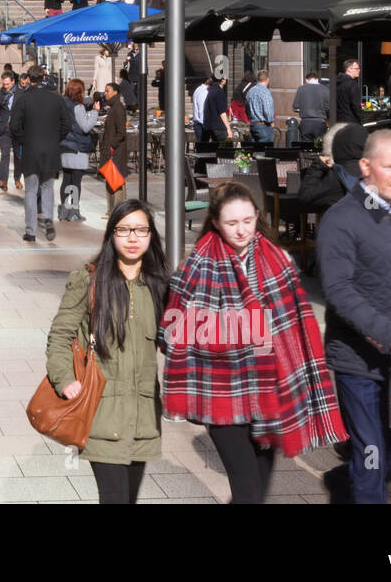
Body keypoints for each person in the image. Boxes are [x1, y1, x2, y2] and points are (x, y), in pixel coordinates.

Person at [164, 182, 346, 503]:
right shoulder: (197, 266)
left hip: (270, 394)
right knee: (247, 491)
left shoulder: (279, 262)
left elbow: (296, 330)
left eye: (247, 221)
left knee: (257, 493)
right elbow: (173, 332)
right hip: (222, 392)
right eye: (232, 223)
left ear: (257, 216)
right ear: (216, 222)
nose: (241, 230)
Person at [317, 129, 391, 504]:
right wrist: (389, 333)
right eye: (389, 167)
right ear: (366, 166)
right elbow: (338, 290)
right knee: (371, 460)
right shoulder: (341, 219)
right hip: (357, 360)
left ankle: (342, 480)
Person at [46, 199, 168, 503]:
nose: (132, 238)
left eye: (141, 230)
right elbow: (60, 336)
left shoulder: (160, 285)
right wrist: (64, 380)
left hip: (144, 417)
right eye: (123, 230)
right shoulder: (88, 280)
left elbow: (177, 340)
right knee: (114, 498)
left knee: (128, 498)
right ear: (111, 235)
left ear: (151, 235)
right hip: (101, 412)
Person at [11, 64, 71, 244]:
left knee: (30, 191)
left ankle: (31, 231)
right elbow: (66, 125)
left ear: (29, 79)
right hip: (51, 150)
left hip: (31, 150)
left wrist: (25, 139)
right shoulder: (57, 99)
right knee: (47, 188)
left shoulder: (22, 99)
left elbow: (14, 126)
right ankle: (48, 220)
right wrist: (55, 138)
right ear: (44, 77)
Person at [298, 122, 368, 216]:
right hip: (372, 228)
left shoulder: (336, 175)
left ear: (337, 146)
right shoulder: (376, 173)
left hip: (341, 227)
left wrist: (317, 167)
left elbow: (305, 197)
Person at [58, 78, 98, 222]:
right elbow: (85, 127)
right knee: (76, 182)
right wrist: (94, 113)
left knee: (66, 180)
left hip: (65, 146)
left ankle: (63, 210)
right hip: (78, 147)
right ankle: (74, 211)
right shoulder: (78, 107)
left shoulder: (62, 104)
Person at [99, 83, 129, 215]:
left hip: (115, 152)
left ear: (115, 92)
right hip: (111, 151)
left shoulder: (118, 108)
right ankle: (111, 211)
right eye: (105, 91)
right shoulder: (113, 107)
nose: (105, 93)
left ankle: (117, 211)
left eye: (108, 91)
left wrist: (112, 145)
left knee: (116, 182)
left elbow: (121, 132)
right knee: (110, 181)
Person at [0, 72, 18, 192]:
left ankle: (17, 178)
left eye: (8, 84)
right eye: (4, 84)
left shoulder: (20, 94)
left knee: (19, 156)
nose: (6, 86)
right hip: (4, 129)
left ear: (13, 82)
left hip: (17, 129)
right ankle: (3, 180)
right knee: (5, 154)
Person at [292, 71, 329, 143]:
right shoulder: (325, 89)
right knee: (318, 146)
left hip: (306, 122)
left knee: (306, 147)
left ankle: (307, 154)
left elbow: (295, 106)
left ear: (306, 80)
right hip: (320, 122)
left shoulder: (301, 89)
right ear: (317, 79)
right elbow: (329, 107)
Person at [244, 69, 275, 144]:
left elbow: (247, 108)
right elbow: (267, 111)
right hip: (264, 126)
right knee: (265, 152)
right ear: (268, 79)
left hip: (253, 125)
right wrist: (271, 121)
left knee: (255, 151)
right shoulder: (265, 92)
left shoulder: (250, 91)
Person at [201, 76, 231, 143]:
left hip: (208, 127)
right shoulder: (219, 92)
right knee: (225, 150)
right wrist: (228, 129)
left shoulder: (210, 91)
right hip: (218, 127)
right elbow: (222, 113)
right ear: (223, 80)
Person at [335, 58, 363, 125]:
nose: (359, 70)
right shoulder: (352, 84)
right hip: (351, 121)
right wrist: (361, 119)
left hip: (338, 120)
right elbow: (355, 105)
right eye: (356, 68)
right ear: (349, 69)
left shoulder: (336, 83)